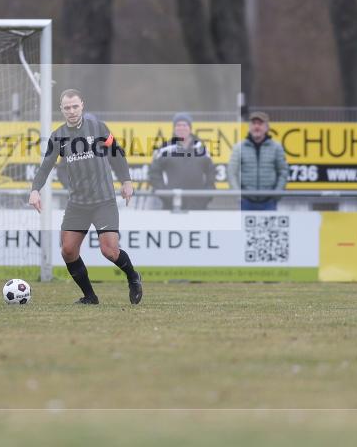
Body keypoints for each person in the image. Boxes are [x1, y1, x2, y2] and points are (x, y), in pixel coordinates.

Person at [28, 89, 142, 305]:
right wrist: (35, 190)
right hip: (78, 203)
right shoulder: (57, 136)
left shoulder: (97, 127)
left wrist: (126, 181)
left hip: (104, 200)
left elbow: (116, 152)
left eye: (75, 106)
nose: (71, 111)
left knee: (109, 251)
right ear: (61, 110)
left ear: (82, 105)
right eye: (67, 108)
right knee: (68, 251)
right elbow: (45, 167)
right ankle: (90, 296)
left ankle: (133, 277)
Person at [149, 112, 217, 210]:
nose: (181, 128)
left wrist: (206, 196)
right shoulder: (165, 148)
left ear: (190, 128)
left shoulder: (201, 148)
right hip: (172, 205)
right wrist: (165, 195)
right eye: (178, 125)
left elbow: (211, 173)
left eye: (184, 125)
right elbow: (153, 172)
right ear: (174, 128)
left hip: (198, 205)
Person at [228, 111, 288, 210]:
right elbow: (231, 172)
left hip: (269, 203)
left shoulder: (276, 147)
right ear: (249, 127)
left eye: (260, 124)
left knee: (269, 226)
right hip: (246, 202)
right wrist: (238, 195)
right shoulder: (239, 148)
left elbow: (283, 172)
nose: (256, 127)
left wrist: (276, 195)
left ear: (267, 127)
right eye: (254, 123)